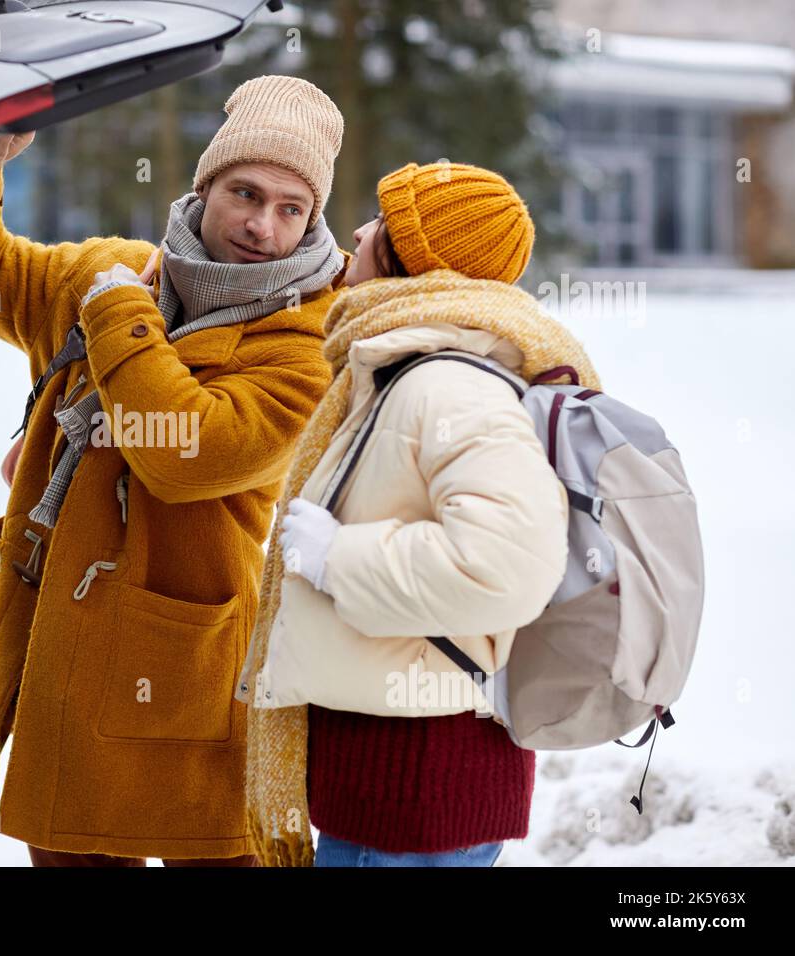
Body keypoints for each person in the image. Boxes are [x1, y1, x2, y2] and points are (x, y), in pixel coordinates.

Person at [0, 75, 353, 865]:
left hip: (192, 678)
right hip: (67, 659)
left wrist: (118, 316)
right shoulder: (118, 270)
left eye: (291, 209)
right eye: (244, 193)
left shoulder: (305, 345)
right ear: (204, 187)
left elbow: (184, 454)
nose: (262, 225)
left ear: (312, 218)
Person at [237, 161, 603, 867]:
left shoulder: (447, 383)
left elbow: (507, 566)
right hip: (400, 786)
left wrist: (338, 559)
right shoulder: (411, 368)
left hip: (414, 797)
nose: (357, 231)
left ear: (413, 256)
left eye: (380, 222)